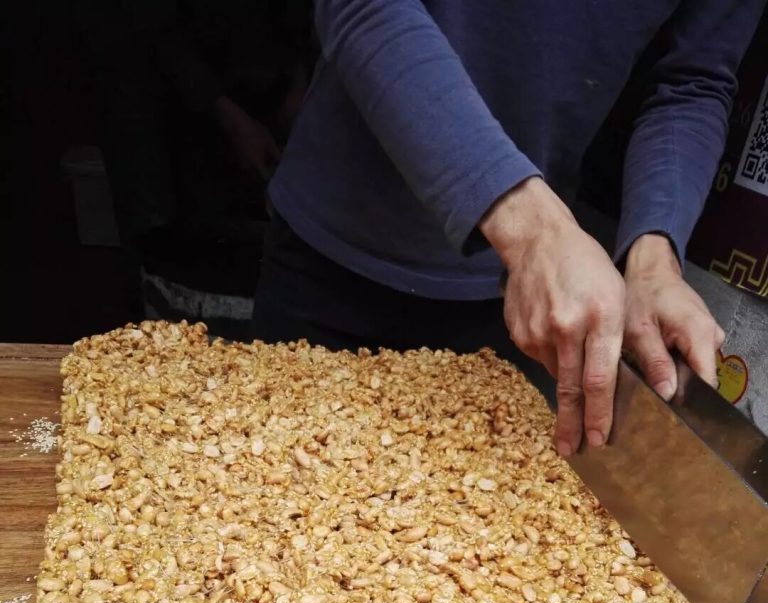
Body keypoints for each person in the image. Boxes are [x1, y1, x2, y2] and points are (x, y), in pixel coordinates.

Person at [252, 0, 765, 457]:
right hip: (337, 252)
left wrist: (653, 258)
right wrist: (532, 232)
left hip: (508, 310)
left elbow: (691, 83)